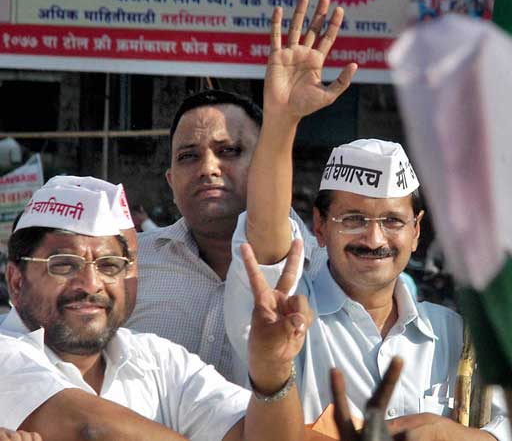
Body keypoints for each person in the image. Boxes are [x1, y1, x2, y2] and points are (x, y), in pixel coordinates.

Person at [224, 0, 511, 440]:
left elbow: (511, 428)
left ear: (416, 231)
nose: (374, 239)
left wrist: (445, 434)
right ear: (320, 226)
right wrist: (281, 120)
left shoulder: (453, 333)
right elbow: (266, 233)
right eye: (353, 219)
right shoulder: (287, 313)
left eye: (392, 222)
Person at [0, 176, 311, 441]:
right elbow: (92, 431)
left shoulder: (158, 360)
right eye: (65, 265)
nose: (91, 284)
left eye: (109, 266)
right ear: (16, 281)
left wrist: (273, 371)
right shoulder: (5, 352)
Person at [126, 82, 321, 382]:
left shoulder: (326, 273)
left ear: (269, 166)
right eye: (188, 156)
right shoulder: (127, 266)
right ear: (171, 182)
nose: (208, 168)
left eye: (228, 151)